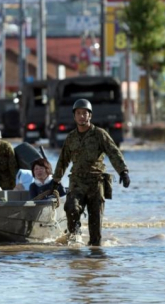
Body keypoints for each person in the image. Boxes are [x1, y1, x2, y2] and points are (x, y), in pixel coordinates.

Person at [52, 99, 130, 246]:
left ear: (90, 116)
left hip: (96, 182)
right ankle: (75, 236)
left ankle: (94, 262)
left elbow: (113, 152)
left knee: (96, 231)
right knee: (71, 208)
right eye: (78, 113)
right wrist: (55, 180)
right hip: (77, 181)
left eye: (84, 113)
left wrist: (123, 172)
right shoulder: (71, 138)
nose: (81, 116)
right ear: (74, 116)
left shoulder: (99, 134)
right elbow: (63, 160)